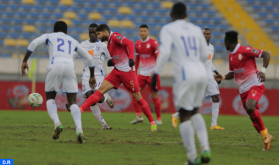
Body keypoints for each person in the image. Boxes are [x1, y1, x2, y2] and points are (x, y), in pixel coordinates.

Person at [151, 3, 210, 165]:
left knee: (184, 116)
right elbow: (205, 55)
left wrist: (156, 72)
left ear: (171, 15)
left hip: (185, 75)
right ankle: (205, 148)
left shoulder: (168, 29)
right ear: (186, 15)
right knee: (196, 112)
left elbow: (165, 52)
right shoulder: (196, 29)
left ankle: (192, 158)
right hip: (201, 72)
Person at [21, 21, 96, 143]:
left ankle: (57, 123)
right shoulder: (72, 40)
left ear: (54, 30)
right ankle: (79, 129)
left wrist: (25, 60)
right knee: (72, 102)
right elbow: (89, 58)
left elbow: (33, 43)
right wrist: (92, 76)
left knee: (50, 98)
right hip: (69, 67)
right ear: (66, 31)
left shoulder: (49, 36)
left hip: (55, 66)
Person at [79, 24, 158, 132]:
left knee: (138, 98)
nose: (97, 36)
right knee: (100, 91)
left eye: (98, 34)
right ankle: (80, 110)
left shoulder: (115, 36)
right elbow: (118, 56)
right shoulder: (108, 45)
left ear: (105, 32)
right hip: (116, 72)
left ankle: (152, 122)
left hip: (127, 73)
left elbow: (130, 43)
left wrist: (131, 59)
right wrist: (112, 62)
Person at [214, 30, 273, 151]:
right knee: (252, 115)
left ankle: (266, 136)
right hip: (243, 90)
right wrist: (223, 77)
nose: (224, 44)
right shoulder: (231, 56)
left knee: (250, 107)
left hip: (255, 84)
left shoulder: (245, 50)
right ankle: (266, 136)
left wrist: (263, 71)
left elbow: (266, 54)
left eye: (224, 42)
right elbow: (233, 73)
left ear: (228, 42)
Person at [171, 28, 224, 130]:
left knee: (216, 97)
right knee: (193, 101)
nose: (206, 35)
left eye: (208, 34)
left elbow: (209, 62)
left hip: (209, 76)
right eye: (204, 34)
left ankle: (214, 124)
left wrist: (216, 72)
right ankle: (176, 115)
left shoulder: (211, 47)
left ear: (210, 36)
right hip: (199, 76)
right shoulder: (197, 47)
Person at [65, 23, 114, 130]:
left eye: (94, 32)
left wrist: (114, 73)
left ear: (98, 33)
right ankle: (103, 124)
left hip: (99, 75)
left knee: (98, 99)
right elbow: (74, 55)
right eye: (90, 32)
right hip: (86, 75)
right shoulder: (83, 44)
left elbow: (112, 59)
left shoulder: (103, 45)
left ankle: (106, 96)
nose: (92, 34)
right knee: (90, 97)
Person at [130, 24, 162, 125]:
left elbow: (159, 58)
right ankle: (139, 116)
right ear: (139, 32)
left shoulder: (153, 43)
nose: (143, 33)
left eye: (144, 31)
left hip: (153, 74)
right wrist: (134, 73)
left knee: (154, 95)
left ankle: (159, 119)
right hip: (142, 74)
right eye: (141, 31)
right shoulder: (137, 44)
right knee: (135, 93)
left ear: (148, 32)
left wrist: (155, 71)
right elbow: (137, 59)